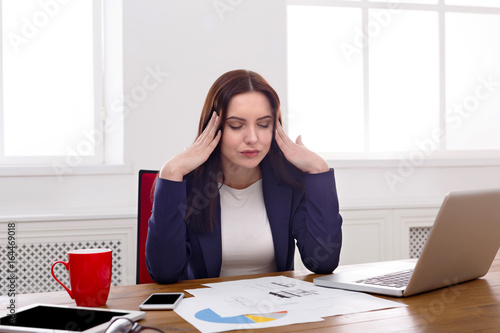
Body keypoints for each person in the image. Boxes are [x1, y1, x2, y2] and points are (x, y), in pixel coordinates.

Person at [146, 69, 342, 284]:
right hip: (205, 311)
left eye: (264, 124)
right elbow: (164, 272)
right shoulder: (188, 185)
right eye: (236, 125)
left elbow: (323, 262)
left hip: (275, 309)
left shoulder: (288, 182)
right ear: (214, 128)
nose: (252, 138)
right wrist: (171, 172)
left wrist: (319, 169)